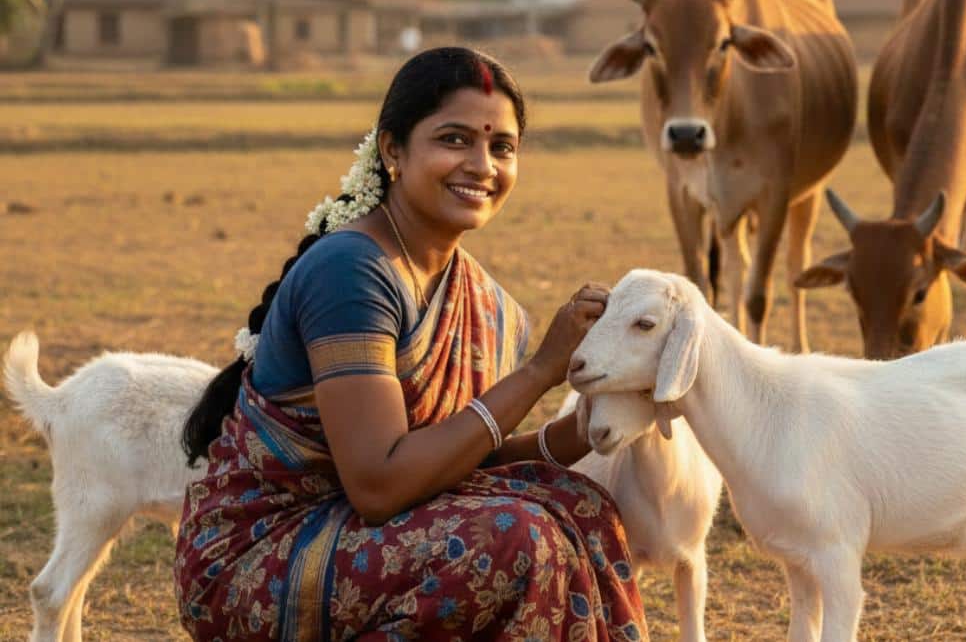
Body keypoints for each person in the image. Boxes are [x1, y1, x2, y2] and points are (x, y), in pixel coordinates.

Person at [175, 47, 647, 641]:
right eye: (454, 140)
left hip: (384, 533)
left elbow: (458, 457)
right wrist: (541, 371)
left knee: (582, 509)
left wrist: (602, 423)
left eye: (502, 147)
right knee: (513, 537)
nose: (482, 165)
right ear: (393, 150)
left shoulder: (490, 304)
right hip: (264, 553)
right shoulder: (351, 270)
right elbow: (380, 485)